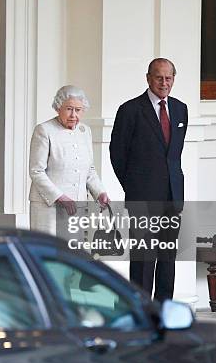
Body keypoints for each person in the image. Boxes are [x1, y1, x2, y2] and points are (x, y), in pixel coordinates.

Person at [109, 58, 188, 302]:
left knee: (167, 257)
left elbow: (174, 155)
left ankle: (164, 310)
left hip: (172, 197)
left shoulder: (180, 109)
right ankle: (141, 312)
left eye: (169, 78)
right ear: (148, 78)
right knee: (144, 259)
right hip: (142, 198)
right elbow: (117, 154)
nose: (164, 83)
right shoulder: (130, 110)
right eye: (159, 77)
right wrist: (135, 187)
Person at [29, 85, 109, 235]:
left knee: (70, 253)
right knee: (49, 253)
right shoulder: (44, 130)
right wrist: (60, 197)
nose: (73, 115)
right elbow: (36, 171)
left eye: (78, 110)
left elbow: (89, 170)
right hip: (48, 208)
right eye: (68, 109)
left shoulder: (85, 131)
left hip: (76, 209)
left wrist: (100, 193)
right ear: (58, 107)